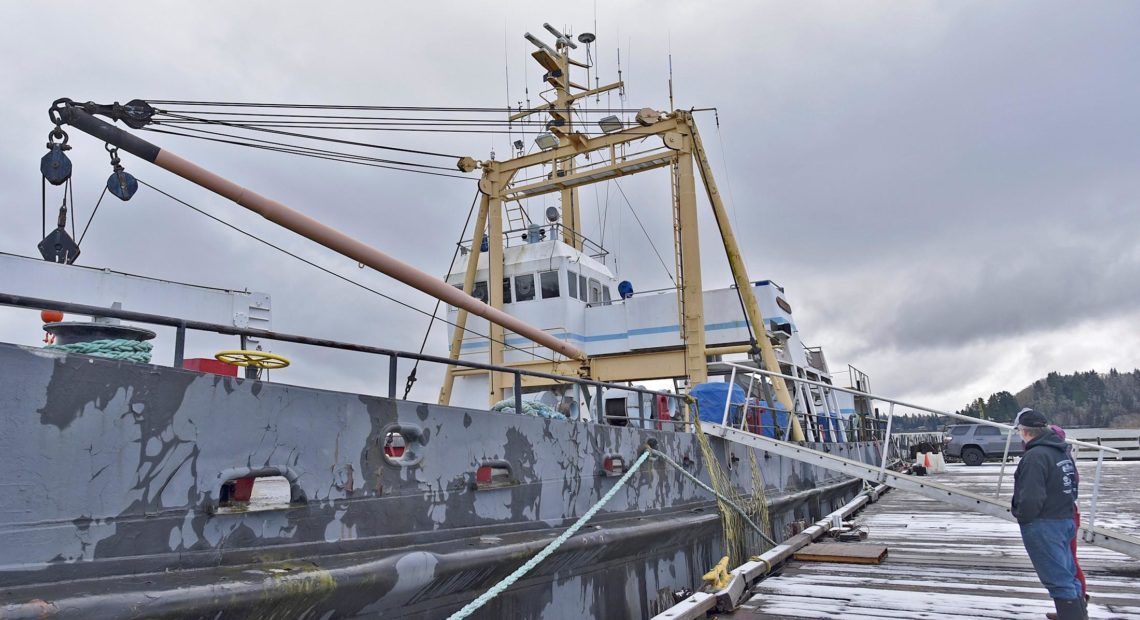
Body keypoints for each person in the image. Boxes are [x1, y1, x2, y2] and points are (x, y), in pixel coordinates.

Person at [1011, 408, 1086, 620]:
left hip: (1044, 524)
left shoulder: (1035, 456)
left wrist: (1024, 517)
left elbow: (1031, 497)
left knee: (1059, 581)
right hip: (1065, 518)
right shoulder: (1061, 451)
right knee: (1069, 577)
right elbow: (1074, 485)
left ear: (1025, 432)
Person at [1049, 424, 1088, 609]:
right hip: (1069, 512)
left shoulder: (1059, 459)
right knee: (1068, 560)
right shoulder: (1065, 458)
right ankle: (1074, 602)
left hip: (1065, 515)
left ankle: (1077, 603)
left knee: (1069, 560)